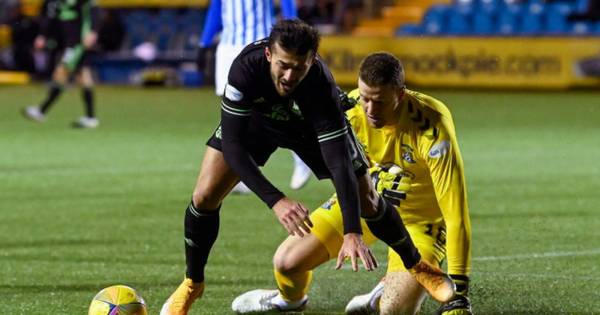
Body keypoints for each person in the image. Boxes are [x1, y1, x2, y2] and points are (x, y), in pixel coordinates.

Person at [160, 21, 454, 315]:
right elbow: (234, 147)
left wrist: (353, 232)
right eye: (283, 65)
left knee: (368, 199)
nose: (290, 75)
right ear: (268, 56)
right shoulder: (244, 69)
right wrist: (277, 201)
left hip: (308, 130)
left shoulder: (320, 86)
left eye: (299, 67)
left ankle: (417, 265)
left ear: (312, 60)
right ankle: (192, 284)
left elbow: (340, 165)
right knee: (203, 197)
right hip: (258, 125)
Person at [231, 52, 472, 315]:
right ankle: (289, 299)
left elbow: (456, 215)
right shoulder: (350, 109)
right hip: (366, 205)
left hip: (419, 223)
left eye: (379, 102)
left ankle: (380, 294)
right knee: (286, 262)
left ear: (400, 94)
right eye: (365, 98)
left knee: (393, 310)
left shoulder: (432, 125)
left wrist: (458, 291)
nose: (369, 109)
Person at [197, 0, 312, 193]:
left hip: (259, 43)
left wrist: (295, 33)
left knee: (277, 107)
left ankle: (301, 158)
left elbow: (287, 2)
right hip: (228, 45)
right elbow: (217, 8)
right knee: (232, 110)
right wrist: (205, 42)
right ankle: (241, 173)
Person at [22, 0, 100, 129]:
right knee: (83, 78)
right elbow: (52, 21)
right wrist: (43, 36)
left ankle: (42, 111)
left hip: (78, 44)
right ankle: (90, 117)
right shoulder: (59, 3)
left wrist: (93, 31)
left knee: (61, 73)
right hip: (70, 43)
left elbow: (95, 13)